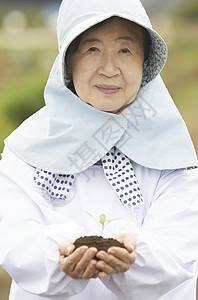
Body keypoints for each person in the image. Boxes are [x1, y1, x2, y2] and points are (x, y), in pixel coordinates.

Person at [0, 0, 198, 299]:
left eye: (125, 50)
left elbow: (180, 246)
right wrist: (59, 256)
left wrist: (135, 257)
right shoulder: (27, 149)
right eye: (92, 49)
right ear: (67, 62)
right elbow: (15, 238)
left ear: (145, 64)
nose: (109, 68)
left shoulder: (172, 154)